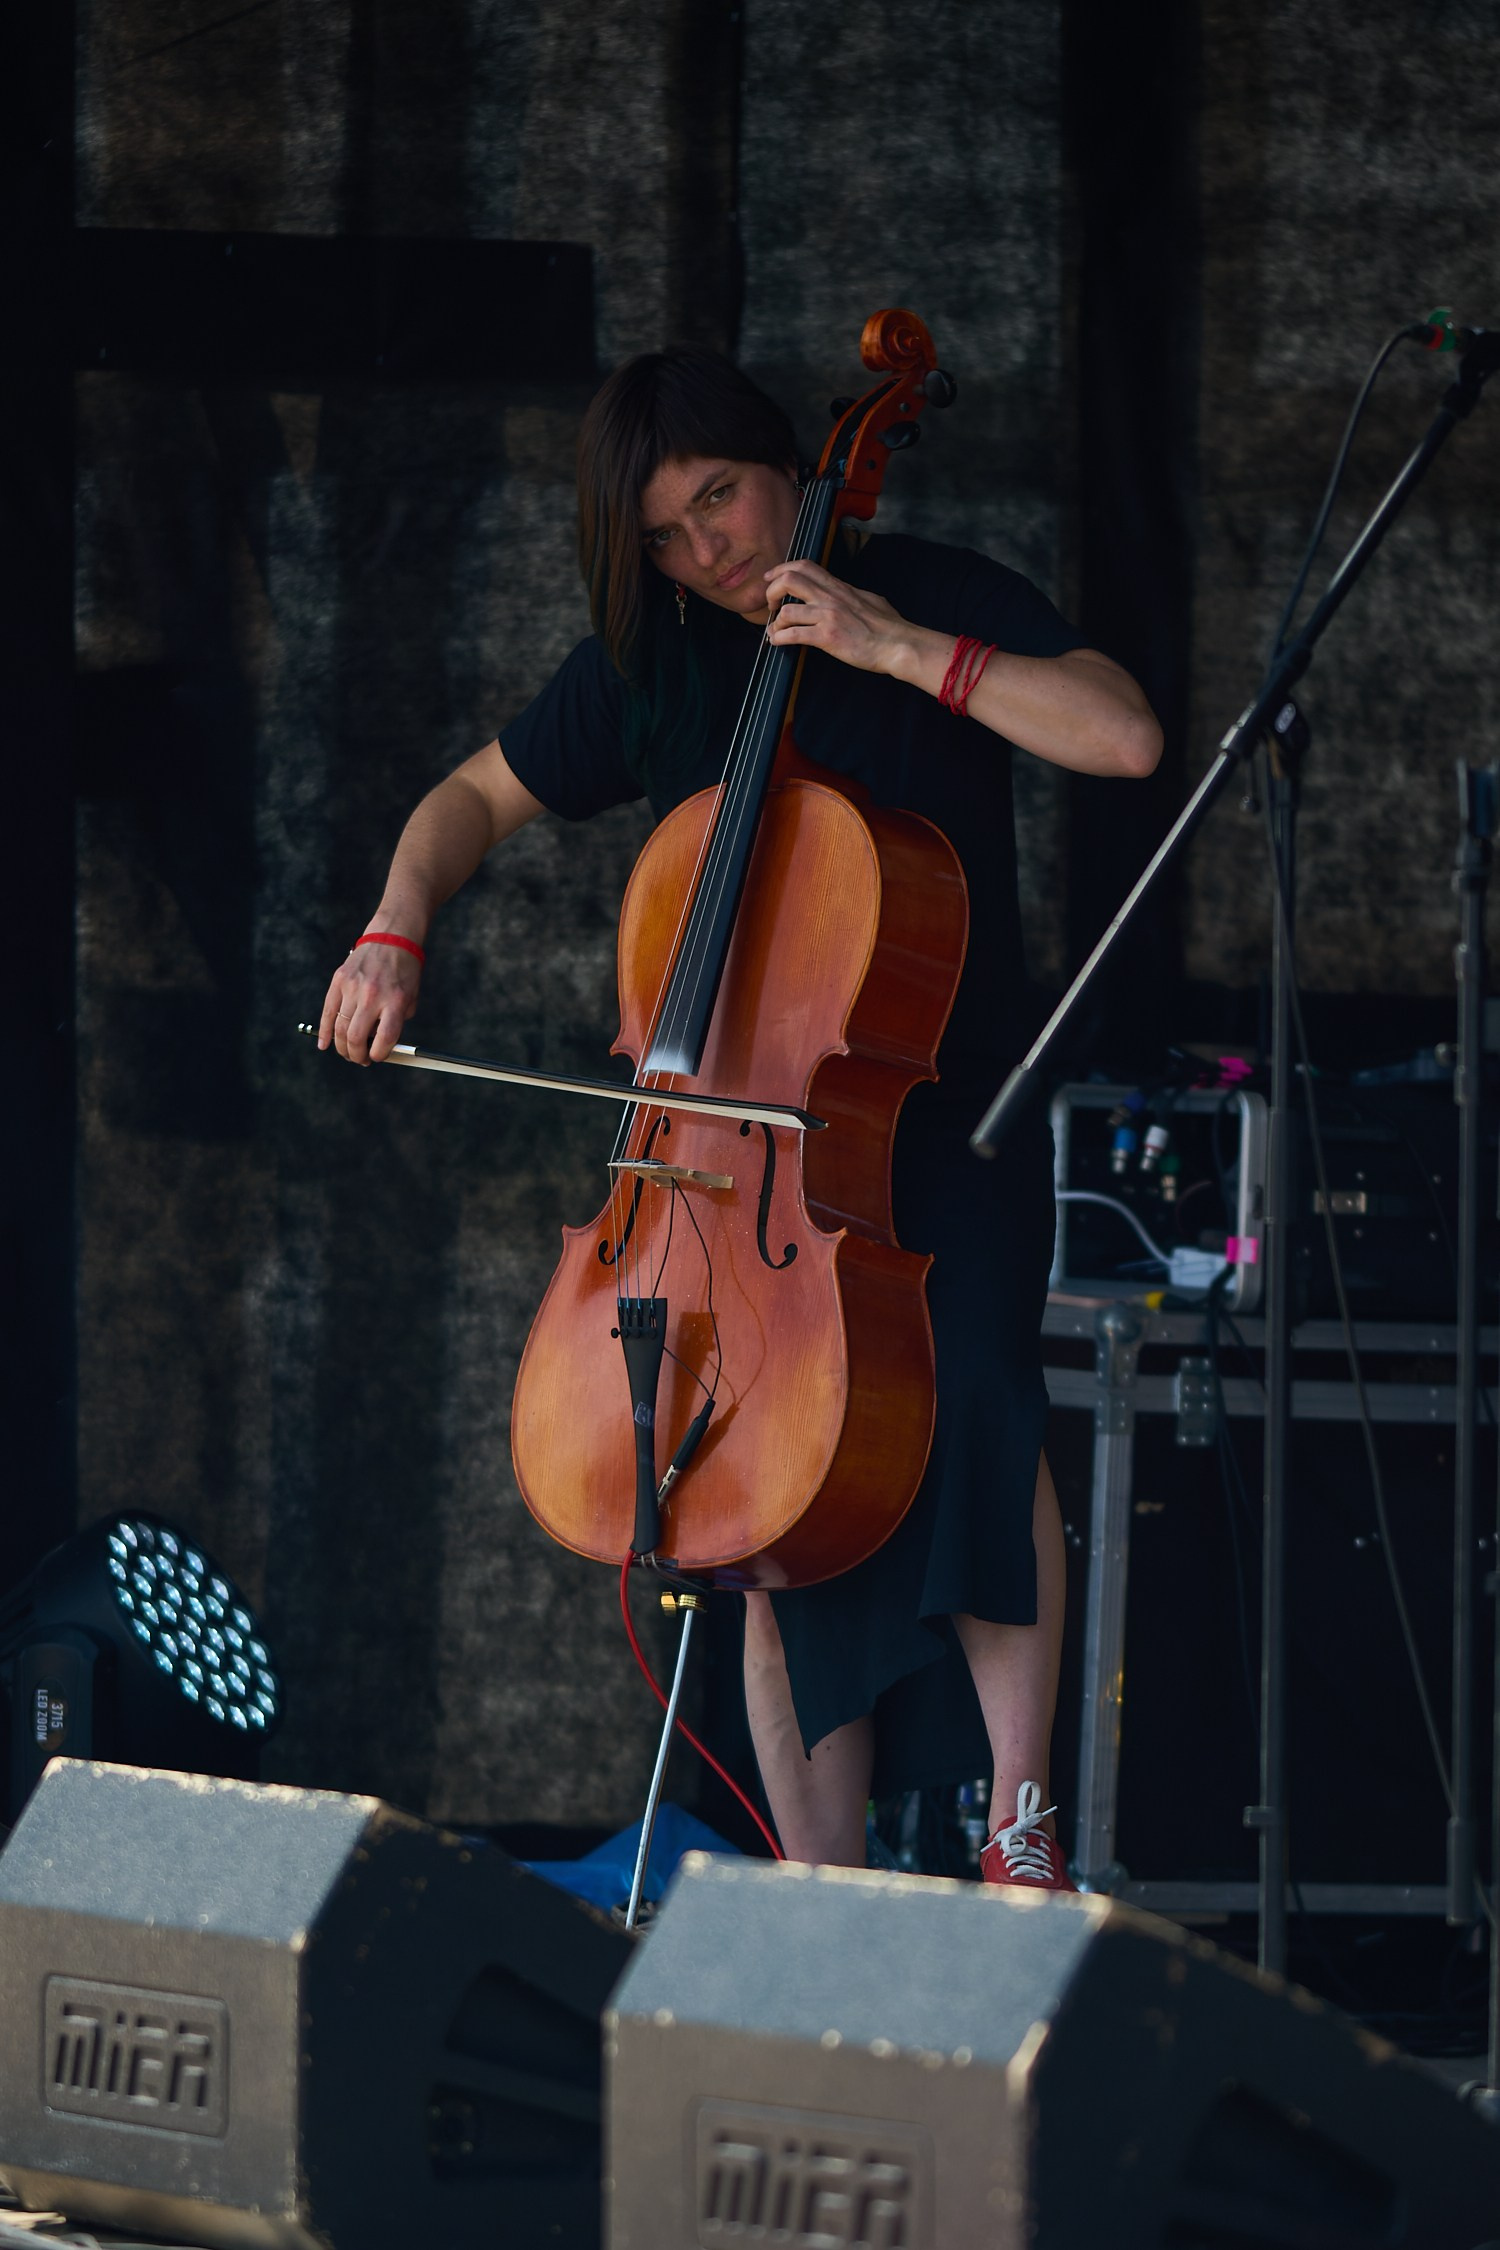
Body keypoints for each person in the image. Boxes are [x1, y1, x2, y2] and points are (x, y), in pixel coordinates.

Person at [320, 345, 1161, 1887]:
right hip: (731, 1166)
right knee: (765, 1509)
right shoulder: (655, 667)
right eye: (667, 535)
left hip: (941, 1136)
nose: (710, 550)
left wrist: (896, 647)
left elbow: (1125, 735)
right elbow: (468, 801)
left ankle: (1021, 1824)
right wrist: (395, 921)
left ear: (787, 463)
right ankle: (815, 1887)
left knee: (980, 1405)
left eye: (721, 496)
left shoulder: (928, 589)